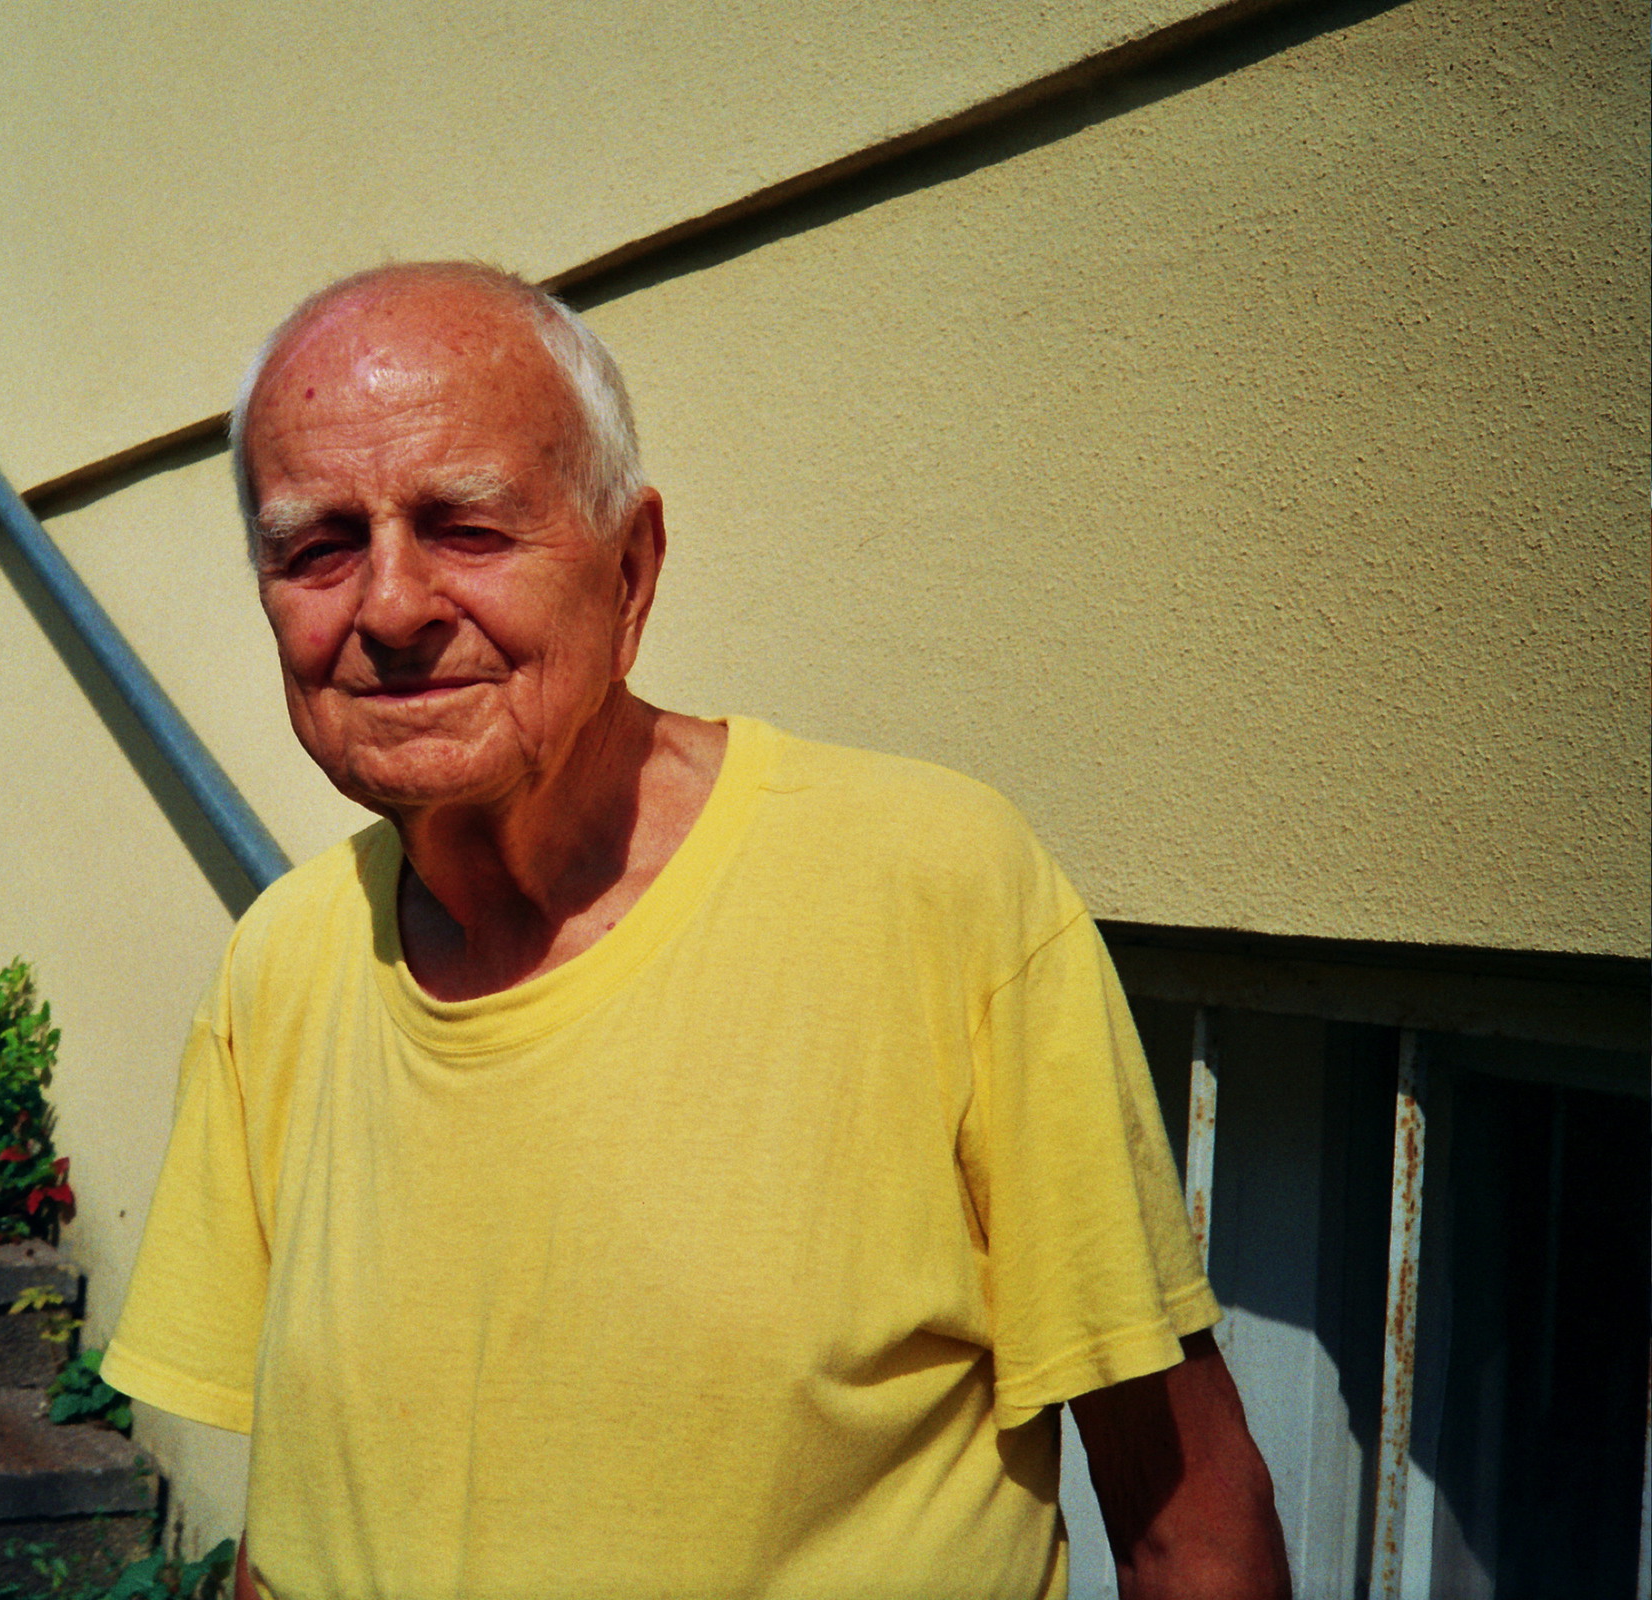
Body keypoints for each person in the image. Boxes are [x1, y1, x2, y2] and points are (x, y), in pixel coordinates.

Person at [101, 261, 1289, 1600]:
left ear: (631, 571)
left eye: (467, 529)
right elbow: (299, 1533)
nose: (389, 608)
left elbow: (1188, 1520)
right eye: (317, 547)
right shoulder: (280, 967)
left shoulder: (937, 890)